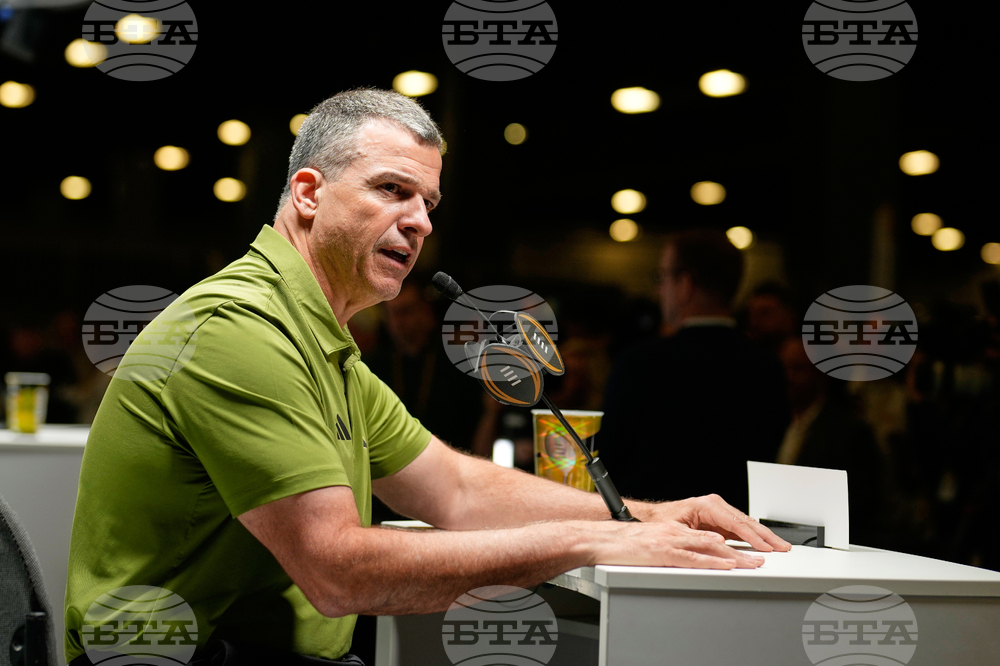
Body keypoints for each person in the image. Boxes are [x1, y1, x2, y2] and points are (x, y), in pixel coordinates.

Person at [63, 90, 789, 666]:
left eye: (428, 205)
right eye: (391, 189)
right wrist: (584, 541)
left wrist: (645, 516)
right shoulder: (240, 330)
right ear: (308, 193)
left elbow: (457, 488)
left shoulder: (320, 340)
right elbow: (340, 571)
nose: (419, 223)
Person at [600, 230, 790, 511]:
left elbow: (607, 464)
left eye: (662, 277)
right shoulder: (768, 368)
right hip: (738, 529)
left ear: (685, 284)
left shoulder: (639, 364)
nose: (658, 290)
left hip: (650, 528)